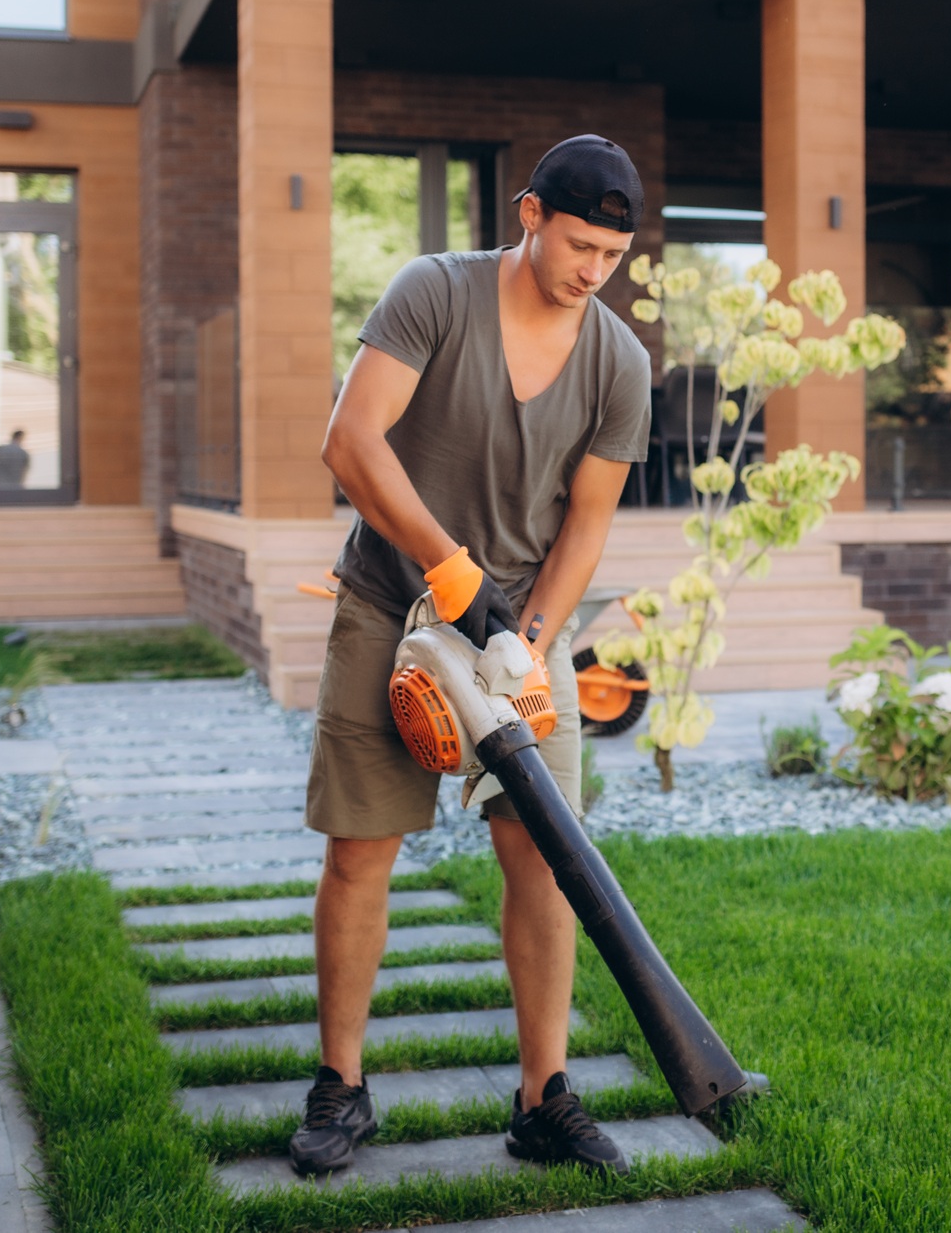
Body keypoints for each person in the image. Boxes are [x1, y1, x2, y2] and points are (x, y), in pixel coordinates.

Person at [296, 136, 652, 1177]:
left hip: (520, 638)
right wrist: (450, 573)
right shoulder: (434, 295)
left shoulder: (617, 361)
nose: (593, 271)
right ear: (529, 211)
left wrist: (528, 643)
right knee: (362, 847)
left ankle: (544, 1096)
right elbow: (351, 440)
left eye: (613, 255)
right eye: (579, 243)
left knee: (541, 855)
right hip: (388, 606)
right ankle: (341, 1085)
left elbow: (585, 525)